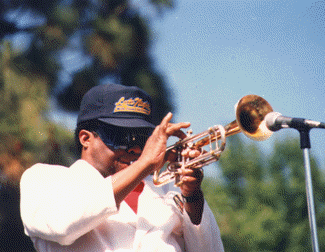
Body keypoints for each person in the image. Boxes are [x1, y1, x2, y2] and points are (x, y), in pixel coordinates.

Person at [20, 84, 224, 252]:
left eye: (142, 139)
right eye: (121, 137)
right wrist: (145, 164)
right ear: (86, 138)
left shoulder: (168, 191)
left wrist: (192, 196)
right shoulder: (43, 178)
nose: (135, 148)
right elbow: (61, 226)